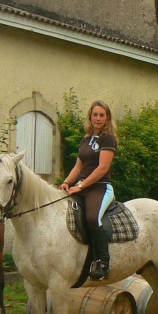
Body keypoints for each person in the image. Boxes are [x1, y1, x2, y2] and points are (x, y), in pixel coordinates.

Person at [59, 100, 117, 280]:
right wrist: (67, 182)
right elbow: (78, 166)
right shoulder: (86, 138)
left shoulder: (108, 139)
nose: (98, 118)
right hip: (81, 187)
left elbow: (102, 169)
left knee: (92, 218)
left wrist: (81, 185)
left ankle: (103, 263)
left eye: (102, 115)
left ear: (107, 118)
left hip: (100, 188)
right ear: (90, 117)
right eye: (95, 115)